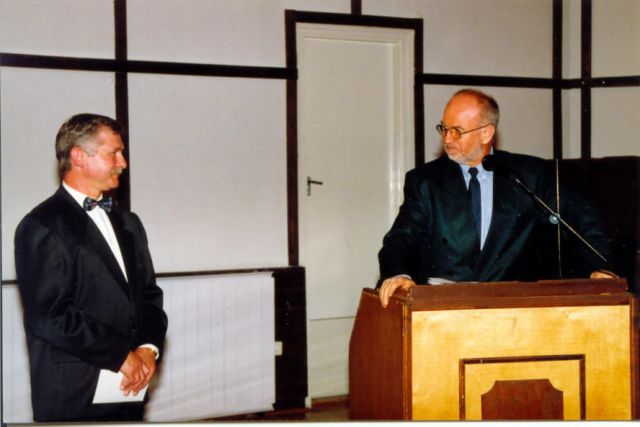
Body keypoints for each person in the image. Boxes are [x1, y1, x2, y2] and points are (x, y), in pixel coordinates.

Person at [378, 89, 615, 307]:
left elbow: (580, 216)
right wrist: (398, 274)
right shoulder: (425, 181)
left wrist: (601, 267)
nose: (448, 139)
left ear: (486, 133)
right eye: (444, 128)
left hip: (513, 307)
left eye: (457, 131)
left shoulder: (527, 175)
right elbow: (401, 237)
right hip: (444, 307)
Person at [14, 113, 168, 421]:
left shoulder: (129, 223)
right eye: (115, 153)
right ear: (79, 157)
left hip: (128, 393)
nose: (123, 162)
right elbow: (49, 315)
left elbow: (149, 296)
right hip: (73, 397)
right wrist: (120, 355)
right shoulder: (41, 225)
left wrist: (147, 349)